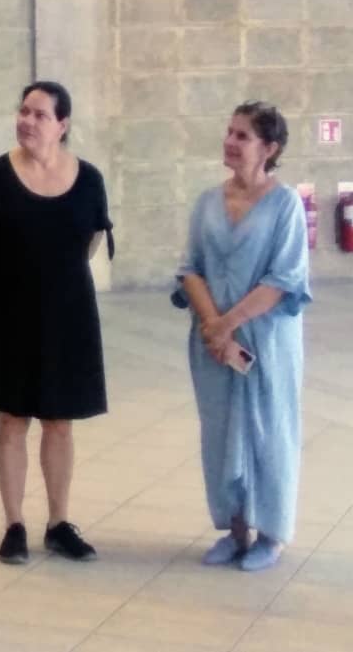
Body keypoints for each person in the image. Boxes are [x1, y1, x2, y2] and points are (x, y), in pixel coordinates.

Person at [0, 81, 113, 566]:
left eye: (39, 114)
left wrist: (50, 280)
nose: (26, 120)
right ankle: (14, 524)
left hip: (68, 313)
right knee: (11, 419)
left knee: (60, 422)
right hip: (8, 309)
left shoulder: (89, 179)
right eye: (23, 111)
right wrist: (17, 278)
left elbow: (88, 242)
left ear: (62, 125)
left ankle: (59, 522)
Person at [173, 102, 309, 572]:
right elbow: (190, 268)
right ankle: (235, 530)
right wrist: (212, 325)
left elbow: (283, 279)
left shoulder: (285, 204)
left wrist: (227, 324)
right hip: (211, 343)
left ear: (269, 148)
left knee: (268, 434)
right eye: (229, 132)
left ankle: (271, 533)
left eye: (243, 136)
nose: (230, 141)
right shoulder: (208, 201)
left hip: (265, 342)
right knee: (220, 434)